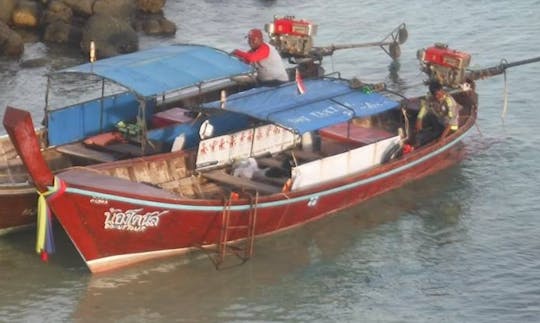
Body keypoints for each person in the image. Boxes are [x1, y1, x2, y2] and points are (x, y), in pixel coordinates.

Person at [415, 81, 461, 145]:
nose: (437, 96)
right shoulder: (431, 98)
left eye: (438, 94)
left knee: (430, 136)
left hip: (450, 128)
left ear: (441, 90)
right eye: (434, 95)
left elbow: (451, 122)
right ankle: (422, 134)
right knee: (428, 117)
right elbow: (423, 110)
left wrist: (442, 138)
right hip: (440, 122)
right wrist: (419, 120)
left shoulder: (449, 101)